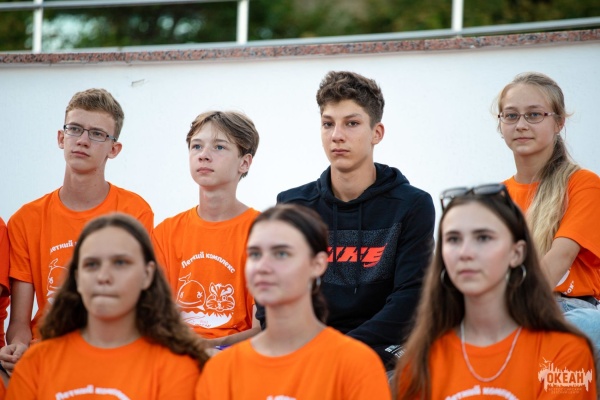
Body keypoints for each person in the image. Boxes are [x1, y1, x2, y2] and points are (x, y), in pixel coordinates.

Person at [257, 70, 435, 370]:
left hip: (382, 351)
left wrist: (338, 353)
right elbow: (272, 290)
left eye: (351, 123)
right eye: (328, 124)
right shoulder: (293, 205)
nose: (336, 135)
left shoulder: (412, 205)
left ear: (377, 133)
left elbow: (410, 300)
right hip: (307, 349)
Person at [1, 88, 154, 374]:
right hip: (45, 355)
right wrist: (18, 346)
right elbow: (19, 322)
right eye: (75, 129)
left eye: (97, 134)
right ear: (61, 138)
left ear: (114, 149)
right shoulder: (25, 220)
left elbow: (135, 305)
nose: (83, 140)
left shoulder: (135, 212)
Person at [395, 184, 597, 399]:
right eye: (453, 239)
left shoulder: (564, 352)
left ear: (517, 253)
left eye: (483, 238)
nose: (465, 252)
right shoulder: (420, 360)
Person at [197, 204, 391, 399]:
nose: (263, 266)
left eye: (281, 254)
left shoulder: (355, 364)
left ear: (317, 264)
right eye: (255, 254)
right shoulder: (222, 369)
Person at [6, 213, 207, 399]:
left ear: (147, 274)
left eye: (120, 263)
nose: (103, 276)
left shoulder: (176, 367)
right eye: (91, 264)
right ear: (77, 277)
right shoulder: (35, 364)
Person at [496, 72, 600, 352]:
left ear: (559, 122)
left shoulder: (583, 184)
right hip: (503, 313)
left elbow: (560, 258)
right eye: (511, 115)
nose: (521, 125)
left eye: (534, 115)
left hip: (569, 311)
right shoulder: (495, 197)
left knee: (594, 325)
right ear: (501, 124)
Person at [152, 111, 260, 348]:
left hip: (236, 353)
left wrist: (211, 347)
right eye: (196, 146)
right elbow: (152, 315)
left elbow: (263, 329)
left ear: (244, 162)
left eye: (219, 147)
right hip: (175, 351)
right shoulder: (166, 232)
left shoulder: (262, 232)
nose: (203, 155)